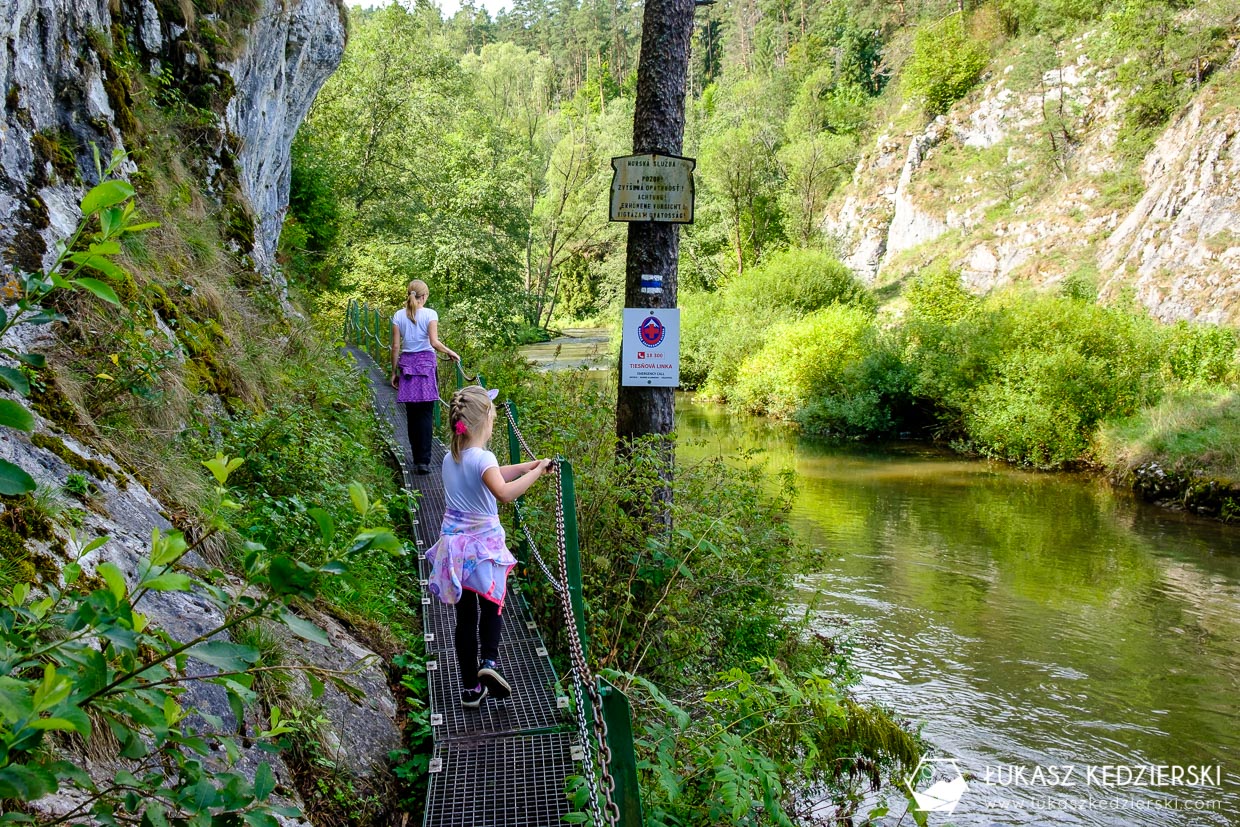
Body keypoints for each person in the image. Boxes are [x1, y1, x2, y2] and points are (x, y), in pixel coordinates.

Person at [425, 385, 553, 707]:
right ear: (486, 421)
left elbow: (491, 476)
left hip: (456, 548)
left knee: (465, 618)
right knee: (493, 604)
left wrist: (524, 466)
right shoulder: (484, 457)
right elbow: (504, 492)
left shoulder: (450, 458)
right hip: (483, 548)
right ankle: (490, 663)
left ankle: (470, 689)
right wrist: (537, 473)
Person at [390, 280, 458, 474]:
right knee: (426, 414)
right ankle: (424, 462)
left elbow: (396, 347)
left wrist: (394, 372)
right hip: (427, 367)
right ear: (425, 296)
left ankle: (416, 457)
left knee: (412, 415)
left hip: (408, 367)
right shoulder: (430, 314)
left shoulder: (398, 316)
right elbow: (434, 342)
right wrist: (450, 352)